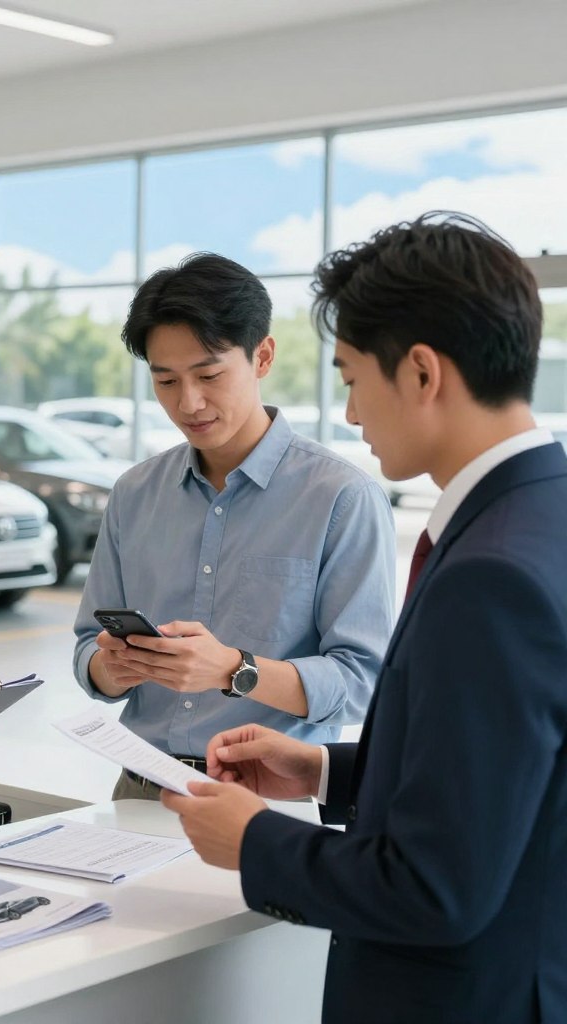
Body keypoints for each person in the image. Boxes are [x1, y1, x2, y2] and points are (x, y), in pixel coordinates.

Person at [162, 212, 567, 1023]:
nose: (349, 414)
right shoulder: (541, 513)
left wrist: (257, 842)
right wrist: (326, 772)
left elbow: (435, 888)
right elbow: (508, 783)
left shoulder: (490, 575)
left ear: (421, 372)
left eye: (350, 377)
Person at [73, 253, 395, 799]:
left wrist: (232, 670)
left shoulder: (341, 497)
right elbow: (87, 650)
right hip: (138, 790)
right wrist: (114, 668)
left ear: (262, 355)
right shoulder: (134, 493)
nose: (188, 402)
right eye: (166, 380)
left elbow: (365, 683)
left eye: (209, 374)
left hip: (265, 794)